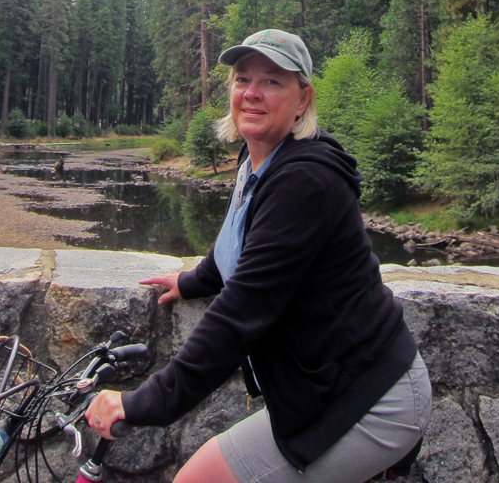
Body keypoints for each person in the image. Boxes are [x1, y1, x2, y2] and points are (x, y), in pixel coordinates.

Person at [86, 29, 432, 483]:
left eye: (272, 81)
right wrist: (192, 280)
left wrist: (145, 401)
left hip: (371, 397)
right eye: (241, 78)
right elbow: (242, 248)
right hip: (321, 391)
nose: (251, 92)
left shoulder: (304, 181)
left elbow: (242, 311)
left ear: (302, 99)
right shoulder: (256, 163)